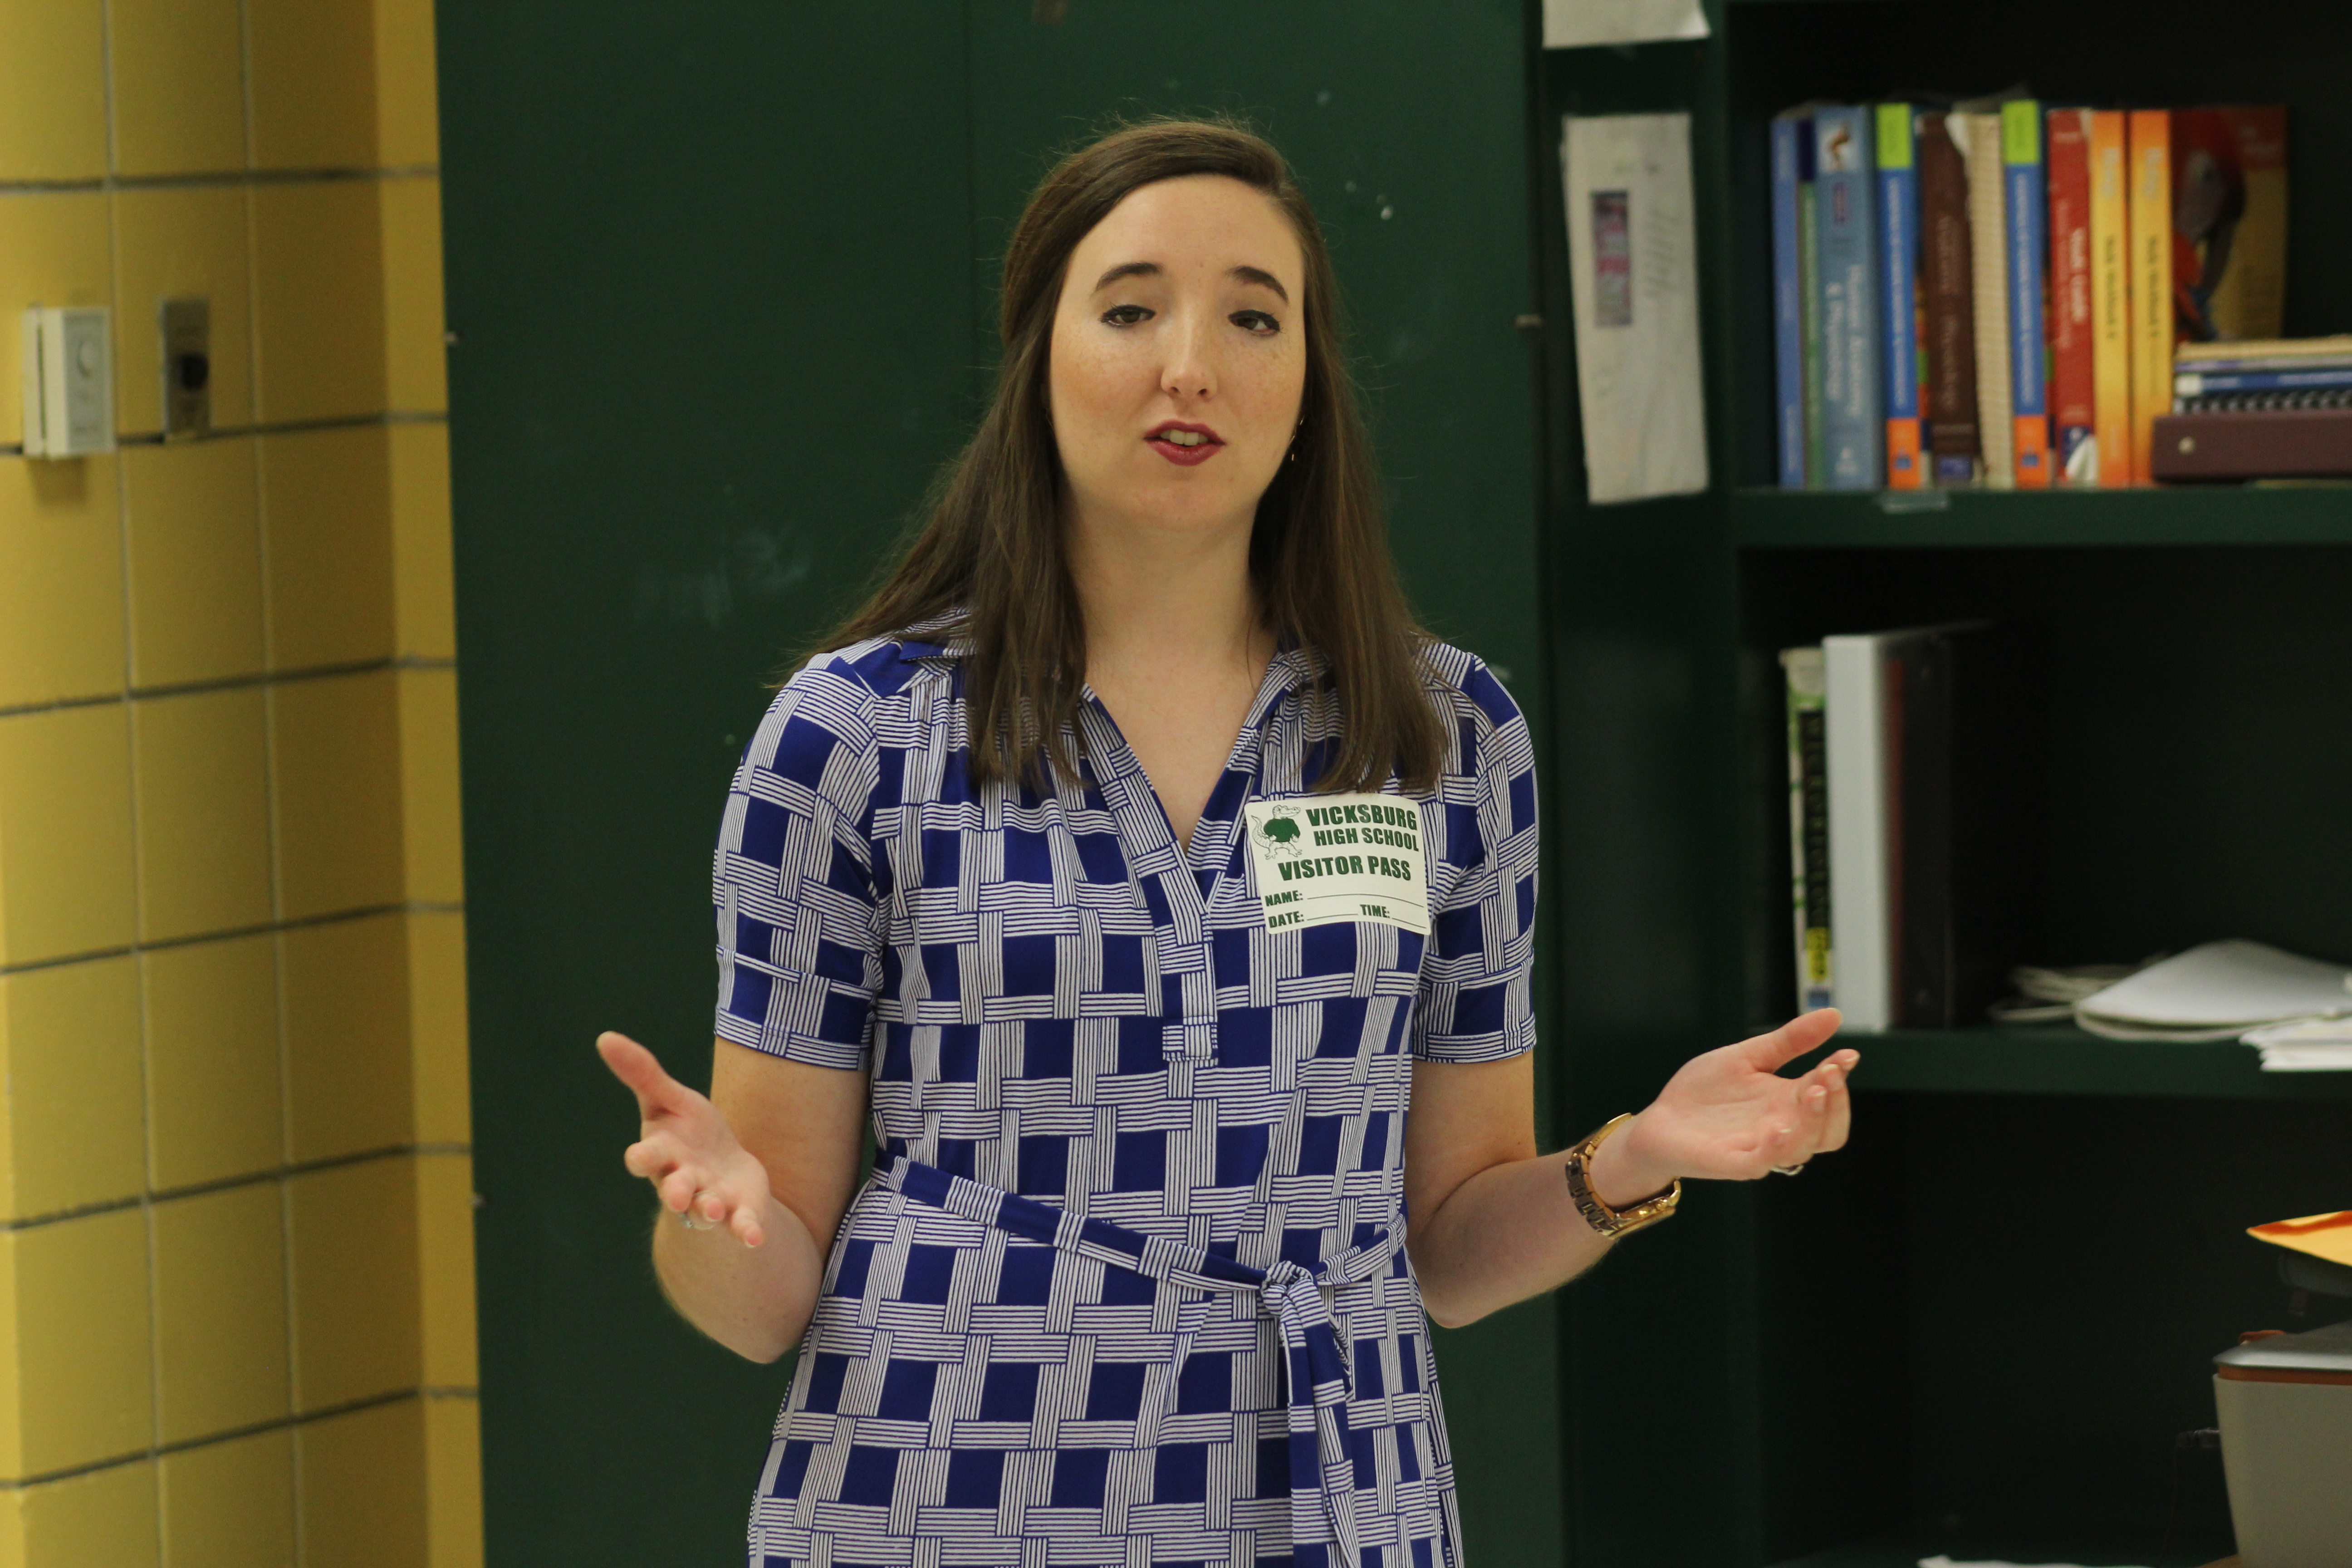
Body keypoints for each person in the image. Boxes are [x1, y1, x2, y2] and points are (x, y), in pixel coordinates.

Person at [598, 118, 1856, 1568]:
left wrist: (1632, 1156)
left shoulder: (1444, 732)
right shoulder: (856, 735)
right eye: (1130, 308)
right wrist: (718, 1216)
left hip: (1329, 1487)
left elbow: (1448, 1248)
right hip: (952, 1487)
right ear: (1037, 360)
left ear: (1309, 378)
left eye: (1253, 316)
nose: (1189, 363)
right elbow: (759, 1305)